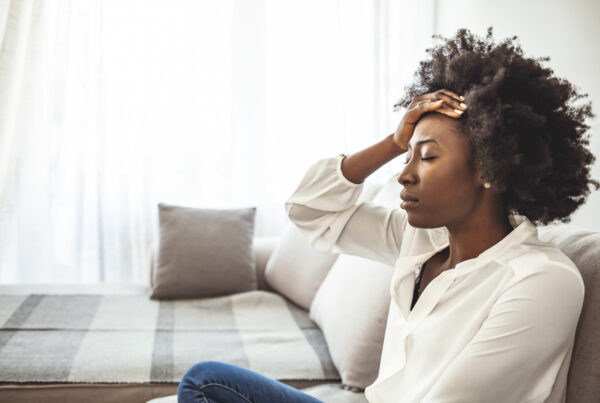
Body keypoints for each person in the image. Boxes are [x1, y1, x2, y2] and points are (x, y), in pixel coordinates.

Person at [178, 28, 598, 403]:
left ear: (489, 169)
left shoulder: (540, 280)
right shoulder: (420, 242)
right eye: (406, 154)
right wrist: (392, 142)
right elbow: (309, 210)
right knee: (206, 382)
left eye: (427, 156)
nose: (405, 174)